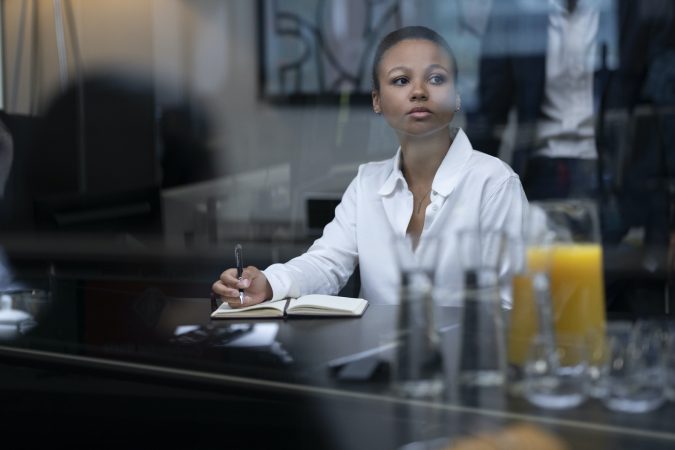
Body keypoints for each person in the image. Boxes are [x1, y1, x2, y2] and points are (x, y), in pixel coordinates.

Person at [212, 26, 529, 307]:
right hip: (374, 353)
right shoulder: (367, 182)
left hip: (463, 353)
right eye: (401, 80)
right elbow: (326, 263)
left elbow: (510, 304)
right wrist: (268, 283)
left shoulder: (495, 183)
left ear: (457, 96)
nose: (419, 91)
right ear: (377, 100)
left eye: (436, 79)